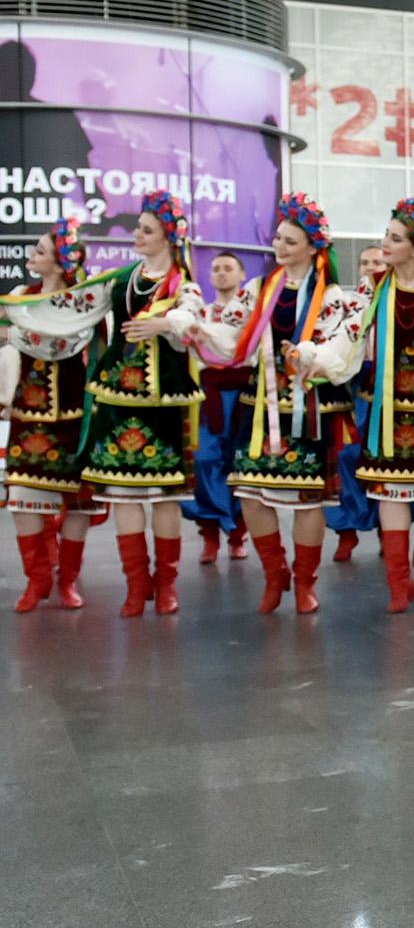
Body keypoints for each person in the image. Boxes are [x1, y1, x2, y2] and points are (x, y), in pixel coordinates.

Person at [1, 192, 204, 616]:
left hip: (141, 405)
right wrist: (18, 322)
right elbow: (62, 316)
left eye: (146, 230)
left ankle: (161, 585)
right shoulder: (116, 280)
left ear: (168, 238)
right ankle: (85, 584)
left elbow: (192, 316)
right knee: (117, 498)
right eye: (139, 228)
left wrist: (166, 322)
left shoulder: (181, 283)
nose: (137, 234)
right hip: (103, 402)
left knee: (154, 497)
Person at [306, 199, 414, 614]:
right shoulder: (373, 287)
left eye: (394, 238)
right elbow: (347, 334)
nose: (385, 243)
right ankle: (398, 584)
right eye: (387, 235)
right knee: (389, 490)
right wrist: (314, 356)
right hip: (388, 410)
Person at [192, 196, 363, 615]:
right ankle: (275, 575)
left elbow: (342, 348)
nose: (279, 246)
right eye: (278, 238)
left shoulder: (335, 297)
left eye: (289, 240)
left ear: (311, 247)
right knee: (250, 494)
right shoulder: (258, 289)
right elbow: (231, 333)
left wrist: (309, 356)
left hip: (311, 408)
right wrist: (200, 330)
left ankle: (305, 582)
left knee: (308, 500)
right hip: (261, 407)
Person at [4, 218, 95, 612]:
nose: (31, 255)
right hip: (29, 413)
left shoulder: (85, 301)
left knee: (78, 503)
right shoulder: (22, 294)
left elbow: (84, 348)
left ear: (60, 264)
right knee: (22, 496)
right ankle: (37, 578)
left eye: (40, 251)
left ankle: (68, 580)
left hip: (77, 415)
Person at [183, 250, 249, 565]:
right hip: (209, 393)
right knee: (204, 458)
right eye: (216, 269)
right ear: (209, 278)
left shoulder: (252, 313)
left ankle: (237, 534)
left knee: (241, 463)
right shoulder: (198, 314)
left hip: (245, 394)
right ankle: (209, 533)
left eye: (228, 268)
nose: (222, 273)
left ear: (241, 276)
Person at [325, 244, 386, 562]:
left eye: (377, 261)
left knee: (382, 458)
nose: (370, 267)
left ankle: (386, 530)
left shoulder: (396, 301)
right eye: (364, 262)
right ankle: (345, 531)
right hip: (352, 389)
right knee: (345, 455)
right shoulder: (348, 303)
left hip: (388, 389)